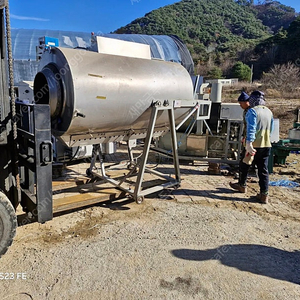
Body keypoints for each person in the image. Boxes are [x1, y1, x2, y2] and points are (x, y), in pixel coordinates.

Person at [230, 90, 273, 204]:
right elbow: (271, 129)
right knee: (263, 170)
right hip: (266, 144)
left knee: (244, 164)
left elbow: (251, 129)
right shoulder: (269, 112)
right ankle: (264, 194)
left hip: (254, 146)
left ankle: (242, 185)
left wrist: (249, 144)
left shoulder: (252, 112)